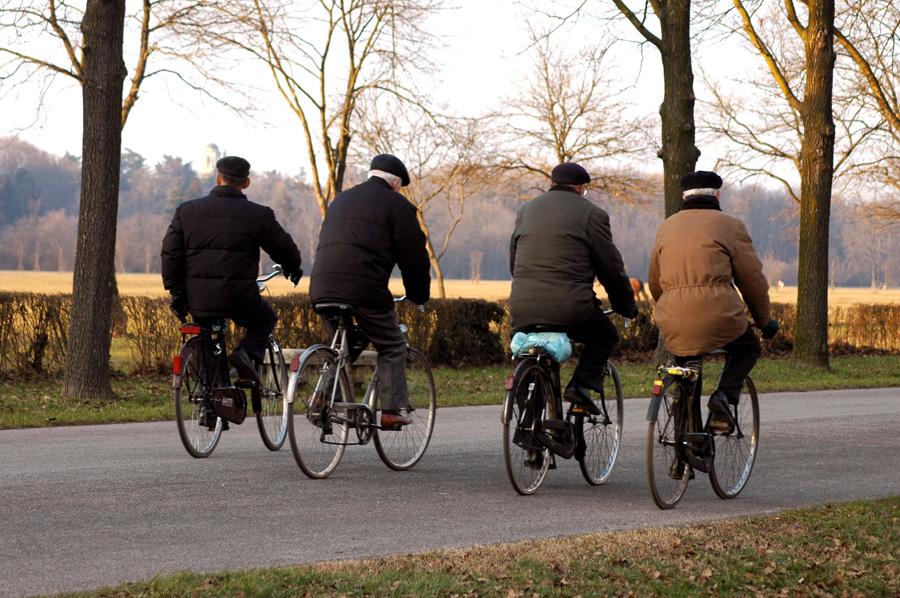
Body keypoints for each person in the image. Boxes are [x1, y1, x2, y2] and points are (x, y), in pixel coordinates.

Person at [647, 170, 779, 432]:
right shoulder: (730, 226)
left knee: (686, 366)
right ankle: (723, 398)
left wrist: (669, 309)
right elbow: (751, 280)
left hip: (673, 319)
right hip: (720, 318)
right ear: (718, 195)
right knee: (748, 348)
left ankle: (682, 450)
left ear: (683, 196)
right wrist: (764, 321)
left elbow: (654, 282)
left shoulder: (666, 227)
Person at [309, 154, 431, 429]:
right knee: (392, 345)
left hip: (321, 288)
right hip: (363, 291)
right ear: (397, 182)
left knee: (347, 345)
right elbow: (414, 258)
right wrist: (418, 295)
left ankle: (321, 399)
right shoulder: (397, 204)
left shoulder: (340, 199)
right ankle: (390, 411)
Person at [161, 155, 303, 390]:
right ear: (246, 183)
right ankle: (245, 354)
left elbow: (170, 254)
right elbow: (285, 249)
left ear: (217, 178)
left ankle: (209, 399)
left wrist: (176, 293)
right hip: (239, 299)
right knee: (265, 318)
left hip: (199, 298)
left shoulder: (186, 211)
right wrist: (293, 268)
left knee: (205, 334)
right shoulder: (259, 215)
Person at [509, 162, 638, 415]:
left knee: (528, 353)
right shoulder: (592, 214)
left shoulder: (526, 209)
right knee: (605, 335)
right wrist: (626, 306)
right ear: (581, 188)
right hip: (569, 309)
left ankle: (528, 427)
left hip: (522, 306)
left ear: (552, 183)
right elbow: (610, 268)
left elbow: (514, 262)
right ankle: (580, 386)